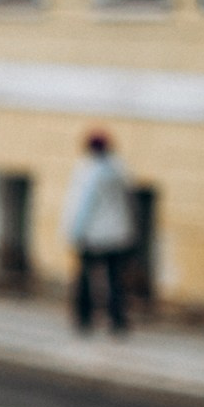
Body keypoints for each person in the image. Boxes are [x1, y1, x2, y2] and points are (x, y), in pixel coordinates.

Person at [64, 131, 137, 335]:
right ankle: (117, 321)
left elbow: (82, 205)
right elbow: (130, 201)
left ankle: (84, 319)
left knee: (86, 278)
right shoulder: (121, 168)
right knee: (115, 279)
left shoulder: (88, 170)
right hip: (117, 234)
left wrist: (74, 232)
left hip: (92, 234)